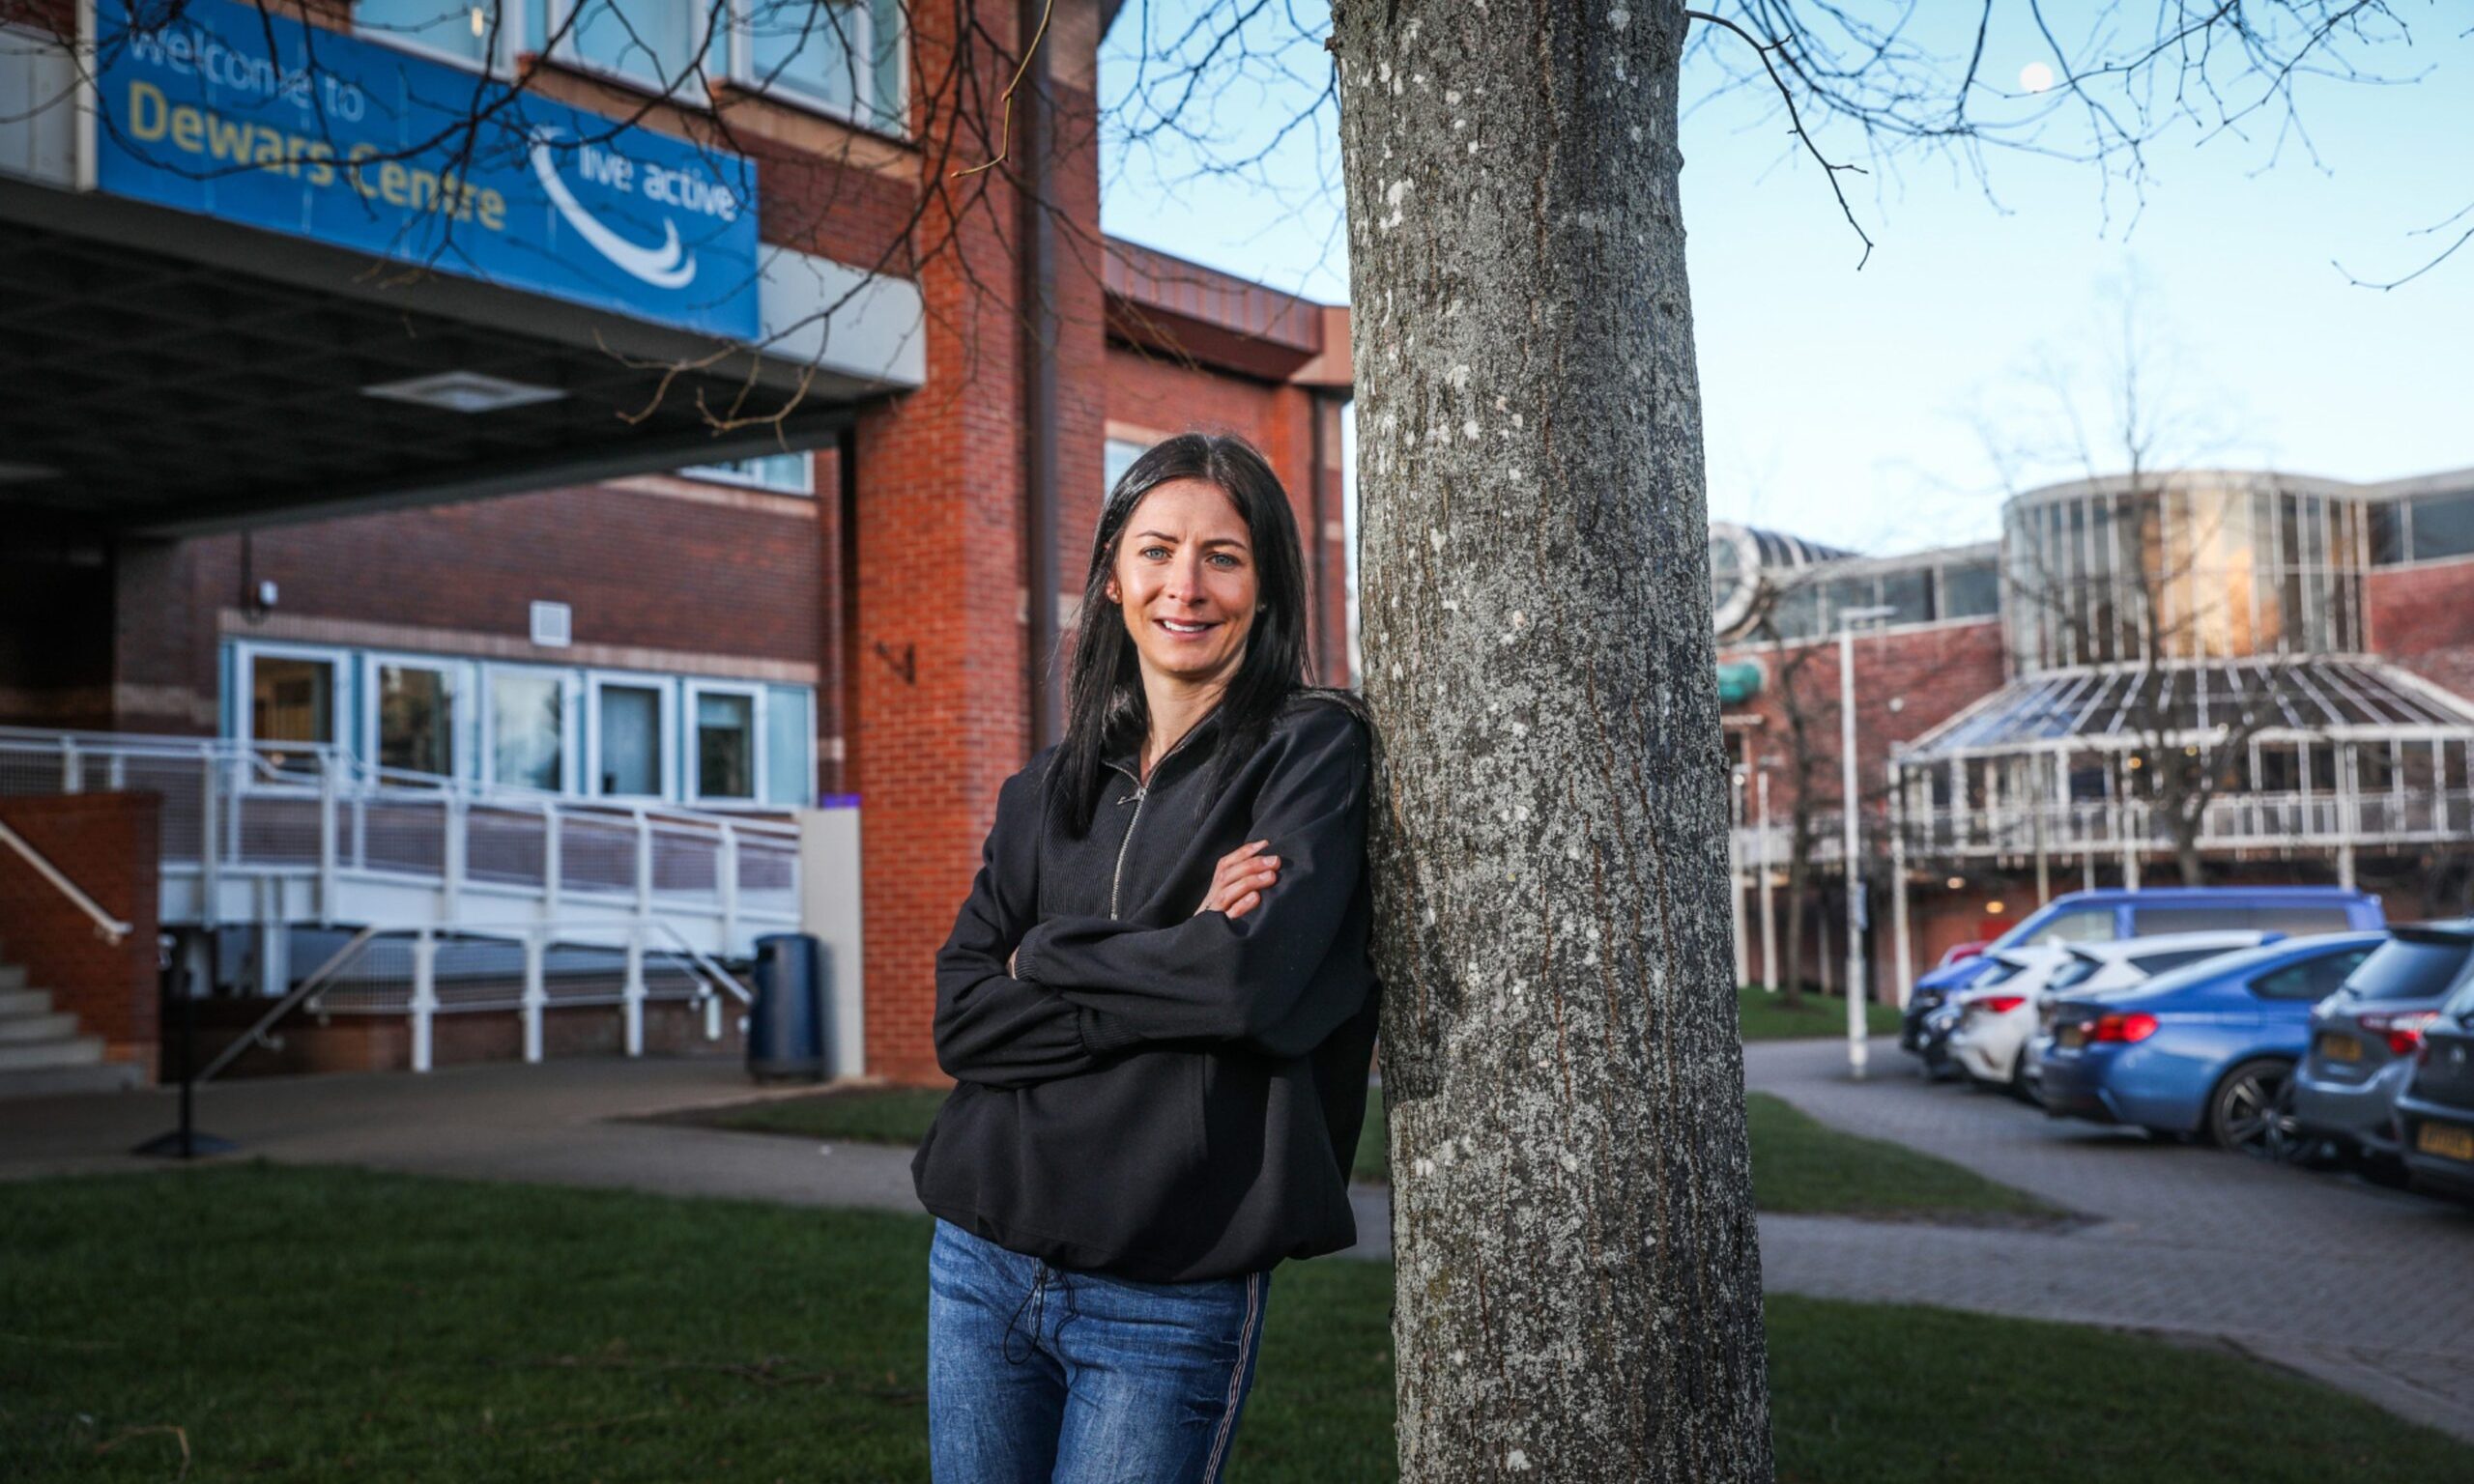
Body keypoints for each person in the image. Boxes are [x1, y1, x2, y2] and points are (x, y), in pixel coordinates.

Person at [913, 432, 1379, 1484]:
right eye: (1157, 550)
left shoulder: (1311, 753)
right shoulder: (1044, 791)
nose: (1187, 585)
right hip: (982, 1264)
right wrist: (1173, 951)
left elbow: (1245, 984)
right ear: (1114, 579)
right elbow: (960, 1019)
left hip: (1169, 1286)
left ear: (1265, 589)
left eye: (1223, 556)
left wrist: (1044, 954)